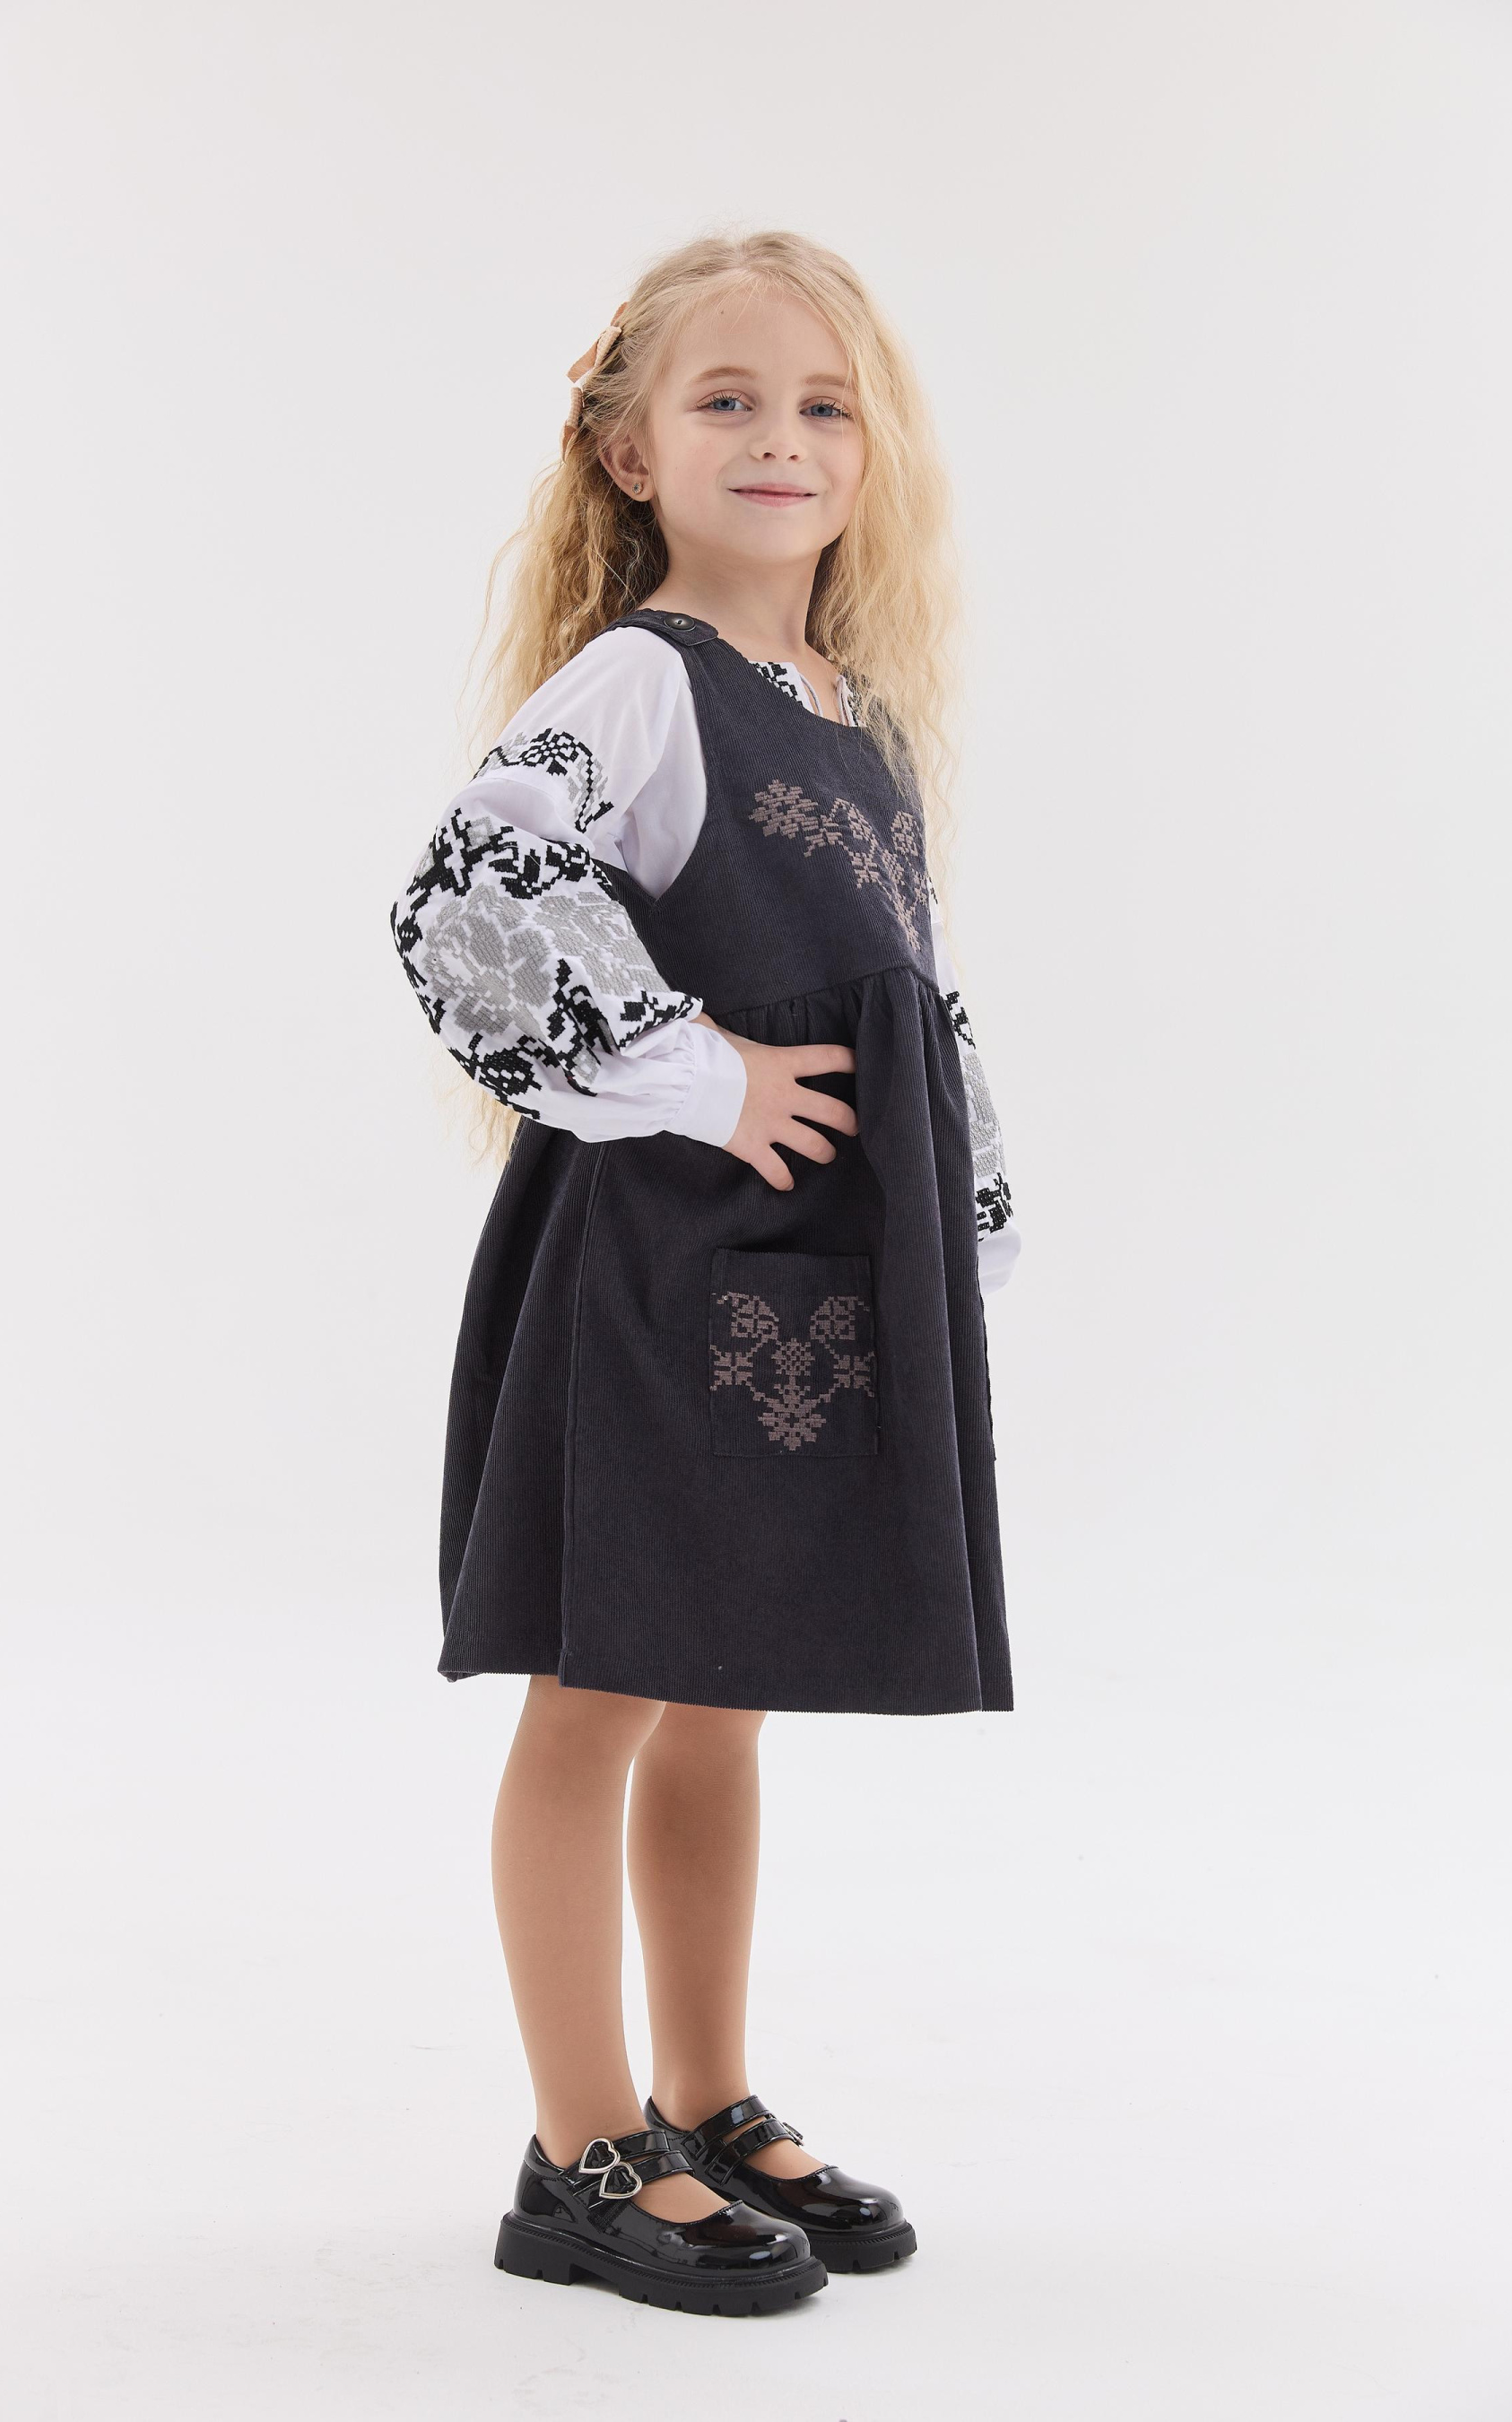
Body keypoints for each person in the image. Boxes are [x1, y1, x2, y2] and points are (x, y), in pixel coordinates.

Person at [388, 230, 1019, 2317]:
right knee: (602, 1690)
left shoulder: (853, 715)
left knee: (721, 1691)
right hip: (658, 1283)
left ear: (872, 449)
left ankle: (701, 2095)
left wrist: (951, 1215)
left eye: (822, 403)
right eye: (725, 398)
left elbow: (906, 992)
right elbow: (472, 891)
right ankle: (577, 2149)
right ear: (628, 448)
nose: (779, 438)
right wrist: (694, 1073)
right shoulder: (641, 684)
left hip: (798, 1289)